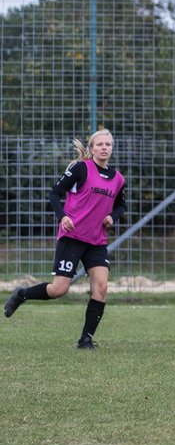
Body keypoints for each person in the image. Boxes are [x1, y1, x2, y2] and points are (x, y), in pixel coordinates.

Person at [4, 130, 126, 349]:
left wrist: (112, 217)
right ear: (91, 148)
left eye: (108, 144)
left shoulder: (118, 179)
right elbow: (54, 194)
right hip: (73, 236)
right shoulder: (80, 168)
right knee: (59, 289)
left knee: (101, 287)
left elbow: (121, 205)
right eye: (99, 144)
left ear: (112, 148)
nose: (104, 147)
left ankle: (86, 339)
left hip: (97, 240)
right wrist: (64, 217)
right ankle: (22, 294)